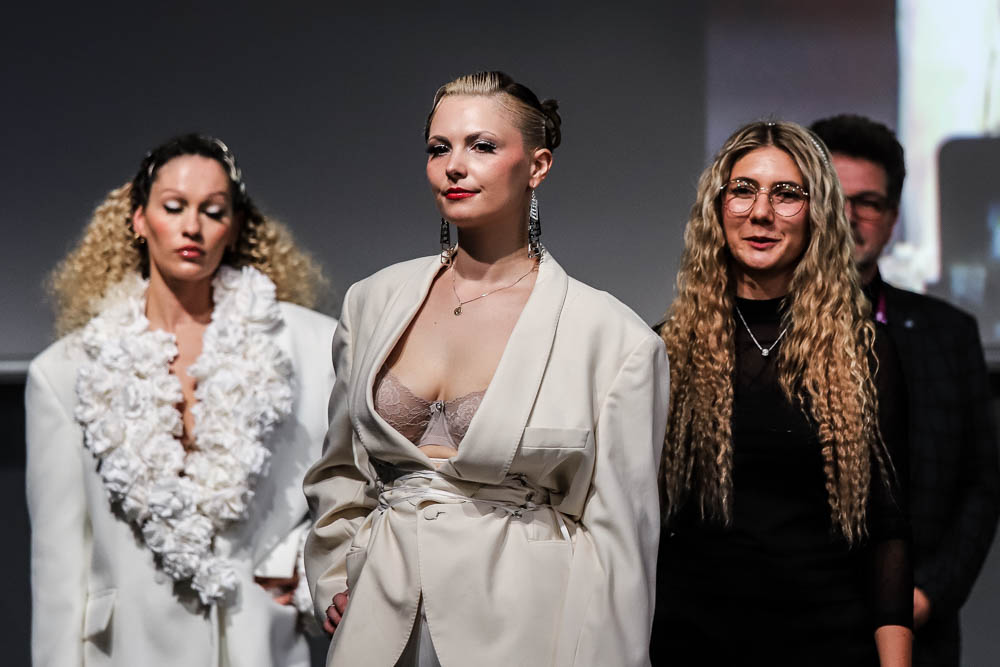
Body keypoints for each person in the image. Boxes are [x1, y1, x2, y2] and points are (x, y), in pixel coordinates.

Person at [303, 71, 668, 667]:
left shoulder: (613, 337)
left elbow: (622, 539)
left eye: (482, 146)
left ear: (538, 166)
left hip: (525, 628)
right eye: (438, 148)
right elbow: (340, 469)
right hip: (379, 620)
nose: (454, 166)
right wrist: (336, 575)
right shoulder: (372, 301)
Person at [25, 134, 337, 666]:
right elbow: (58, 570)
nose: (192, 226)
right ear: (138, 219)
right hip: (128, 651)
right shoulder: (65, 372)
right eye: (173, 207)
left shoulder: (309, 346)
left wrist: (303, 562)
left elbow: (361, 489)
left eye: (212, 211)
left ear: (234, 228)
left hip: (257, 647)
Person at [651, 120, 913, 666]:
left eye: (787, 194)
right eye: (743, 190)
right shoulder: (665, 351)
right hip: (691, 645)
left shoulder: (864, 350)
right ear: (717, 208)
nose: (761, 212)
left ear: (818, 213)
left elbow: (887, 529)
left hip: (827, 644)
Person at [812, 114, 1000, 666]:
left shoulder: (950, 334)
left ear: (893, 219)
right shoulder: (753, 334)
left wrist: (926, 595)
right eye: (834, 198)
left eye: (868, 202)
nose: (848, 217)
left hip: (918, 635)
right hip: (788, 630)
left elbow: (982, 483)